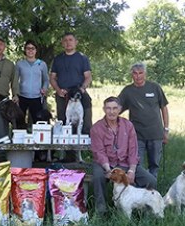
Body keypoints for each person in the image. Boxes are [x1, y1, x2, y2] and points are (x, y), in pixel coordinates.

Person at [91, 96, 157, 216]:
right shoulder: (97, 127)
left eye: (115, 108)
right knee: (98, 177)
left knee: (150, 180)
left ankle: (142, 210)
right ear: (104, 109)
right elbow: (99, 152)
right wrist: (109, 170)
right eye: (108, 108)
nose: (111, 112)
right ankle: (101, 211)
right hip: (105, 164)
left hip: (124, 163)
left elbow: (133, 150)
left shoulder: (128, 125)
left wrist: (132, 170)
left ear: (120, 109)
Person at [118, 62, 169, 178]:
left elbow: (164, 108)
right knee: (137, 164)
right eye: (135, 73)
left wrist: (166, 130)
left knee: (154, 165)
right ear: (131, 74)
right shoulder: (127, 91)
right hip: (136, 135)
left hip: (156, 134)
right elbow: (117, 108)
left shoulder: (155, 87)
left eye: (141, 73)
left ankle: (152, 191)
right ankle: (139, 191)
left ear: (145, 74)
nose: (138, 76)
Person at [50, 32, 92, 162]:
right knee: (63, 123)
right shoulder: (58, 59)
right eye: (65, 40)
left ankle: (82, 153)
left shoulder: (82, 58)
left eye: (71, 40)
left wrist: (82, 88)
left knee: (85, 122)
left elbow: (88, 76)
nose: (68, 43)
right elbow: (52, 78)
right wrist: (58, 90)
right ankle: (65, 155)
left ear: (76, 42)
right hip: (63, 94)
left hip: (79, 92)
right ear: (62, 43)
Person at [16, 40, 49, 124]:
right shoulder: (20, 64)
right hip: (22, 97)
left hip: (37, 97)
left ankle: (36, 137)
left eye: (32, 48)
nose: (30, 50)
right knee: (20, 122)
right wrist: (15, 94)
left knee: (38, 123)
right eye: (28, 48)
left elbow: (46, 80)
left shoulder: (42, 64)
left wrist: (44, 88)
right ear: (25, 50)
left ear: (36, 50)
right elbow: (15, 80)